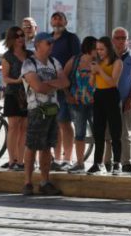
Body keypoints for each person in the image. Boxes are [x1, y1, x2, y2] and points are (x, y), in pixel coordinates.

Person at [21, 32, 69, 195]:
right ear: (38, 45)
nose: (51, 45)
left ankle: (44, 181)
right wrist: (54, 84)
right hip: (36, 110)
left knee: (47, 147)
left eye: (52, 43)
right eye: (48, 43)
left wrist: (48, 83)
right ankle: (27, 182)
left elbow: (66, 82)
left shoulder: (54, 62)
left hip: (52, 109)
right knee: (32, 146)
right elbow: (38, 87)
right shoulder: (29, 63)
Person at [104, 27, 131, 173]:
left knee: (125, 134)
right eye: (117, 38)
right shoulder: (105, 56)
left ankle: (126, 162)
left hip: (125, 100)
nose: (120, 41)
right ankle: (107, 161)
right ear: (112, 40)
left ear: (127, 40)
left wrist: (130, 98)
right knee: (107, 133)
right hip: (107, 99)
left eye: (123, 38)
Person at [86, 36, 123, 176]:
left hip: (111, 95)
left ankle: (117, 163)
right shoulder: (98, 62)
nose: (99, 52)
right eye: (97, 49)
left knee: (115, 131)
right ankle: (97, 163)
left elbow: (113, 82)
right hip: (99, 95)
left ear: (109, 48)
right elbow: (91, 83)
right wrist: (93, 73)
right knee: (98, 131)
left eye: (102, 49)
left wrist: (100, 71)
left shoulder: (117, 62)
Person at [49, 11, 81, 170]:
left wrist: (64, 78)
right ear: (50, 22)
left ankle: (67, 158)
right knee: (54, 124)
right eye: (54, 18)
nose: (57, 21)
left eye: (60, 18)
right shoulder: (47, 39)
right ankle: (56, 158)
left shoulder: (71, 38)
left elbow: (76, 58)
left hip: (67, 87)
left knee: (65, 122)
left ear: (66, 22)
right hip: (49, 88)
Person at [1, 26, 32, 171]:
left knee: (24, 128)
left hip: (28, 95)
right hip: (13, 94)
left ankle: (21, 160)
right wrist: (18, 81)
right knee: (13, 127)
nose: (21, 38)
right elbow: (5, 78)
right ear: (11, 39)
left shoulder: (30, 55)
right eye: (17, 36)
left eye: (22, 35)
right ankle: (12, 160)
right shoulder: (7, 56)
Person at [65, 36, 97, 174]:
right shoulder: (75, 60)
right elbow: (63, 76)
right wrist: (68, 95)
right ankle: (80, 163)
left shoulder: (99, 62)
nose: (99, 50)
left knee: (99, 133)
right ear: (89, 48)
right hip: (77, 102)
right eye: (96, 48)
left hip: (95, 103)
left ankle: (98, 163)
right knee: (79, 133)